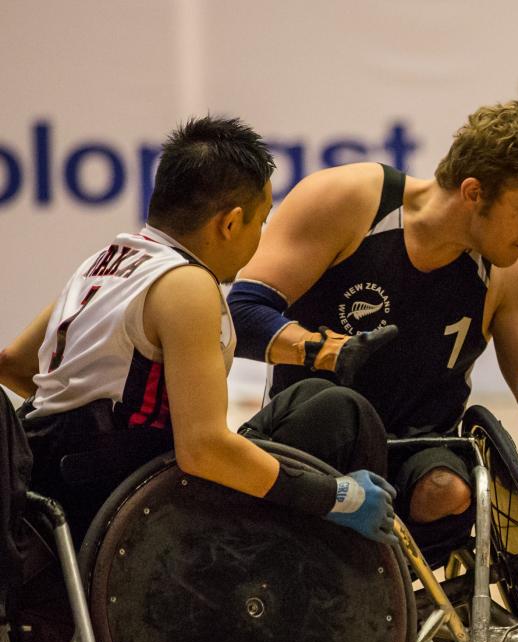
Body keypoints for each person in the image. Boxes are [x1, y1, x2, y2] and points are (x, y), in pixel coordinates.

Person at [0, 116, 396, 567]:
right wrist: (335, 495)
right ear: (229, 224)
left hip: (59, 486)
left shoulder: (108, 261)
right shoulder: (185, 285)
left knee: (318, 401)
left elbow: (13, 362)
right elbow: (203, 450)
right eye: (260, 222)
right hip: (130, 509)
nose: (261, 237)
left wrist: (88, 423)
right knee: (343, 417)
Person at [228, 101, 518, 563]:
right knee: (341, 408)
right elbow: (241, 313)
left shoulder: (514, 274)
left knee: (450, 489)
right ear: (474, 192)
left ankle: (385, 585)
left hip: (419, 450)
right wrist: (326, 351)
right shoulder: (350, 201)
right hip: (318, 436)